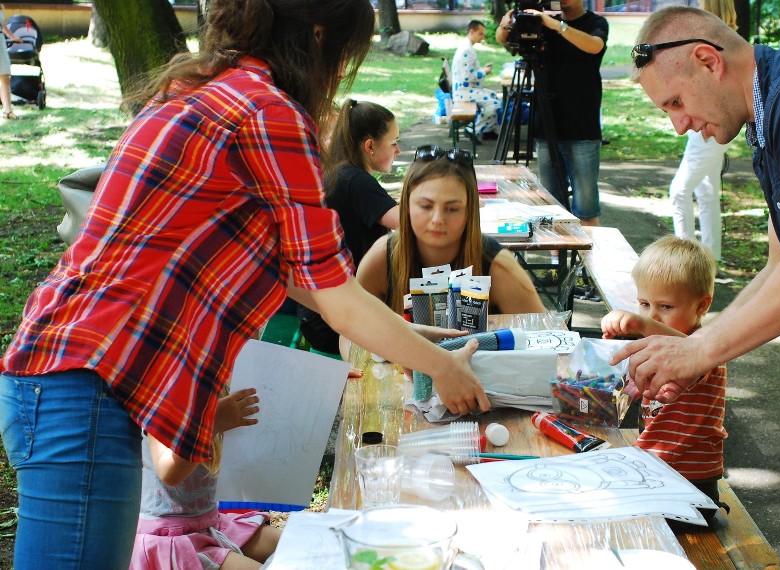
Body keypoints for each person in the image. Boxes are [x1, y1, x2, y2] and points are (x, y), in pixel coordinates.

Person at [0, 2, 490, 568]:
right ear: (320, 35)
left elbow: (302, 276)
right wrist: (441, 365)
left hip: (65, 374)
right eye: (345, 58)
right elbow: (334, 292)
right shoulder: (268, 113)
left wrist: (416, 342)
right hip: (85, 387)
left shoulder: (200, 89)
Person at [611, 5, 780, 543]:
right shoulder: (769, 120)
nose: (678, 125)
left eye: (675, 102)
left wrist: (699, 352)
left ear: (707, 60)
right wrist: (691, 346)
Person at [602, 235, 727, 523]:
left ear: (701, 306)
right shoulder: (662, 349)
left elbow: (690, 353)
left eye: (665, 307)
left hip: (688, 481)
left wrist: (645, 324)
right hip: (656, 466)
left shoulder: (704, 350)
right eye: (644, 304)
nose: (653, 315)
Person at [356, 145, 547, 316]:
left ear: (470, 211)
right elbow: (350, 332)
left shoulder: (498, 267)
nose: (438, 219)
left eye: (452, 209)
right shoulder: (382, 257)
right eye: (425, 206)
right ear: (405, 206)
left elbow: (542, 337)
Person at [130, 387, 281, 569]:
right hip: (171, 541)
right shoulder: (164, 388)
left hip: (212, 524)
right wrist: (211, 422)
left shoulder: (218, 378)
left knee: (304, 548)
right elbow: (170, 473)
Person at [297, 98, 401, 354]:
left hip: (320, 312)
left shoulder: (340, 173)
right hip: (335, 320)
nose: (398, 150)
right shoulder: (356, 181)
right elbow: (412, 224)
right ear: (370, 146)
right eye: (394, 142)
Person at [495, 0, 608, 226]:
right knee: (550, 204)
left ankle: (587, 259)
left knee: (586, 205)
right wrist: (505, 25)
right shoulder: (543, 22)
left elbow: (595, 45)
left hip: (582, 125)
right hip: (546, 123)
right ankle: (558, 257)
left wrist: (557, 26)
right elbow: (504, 39)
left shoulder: (595, 22)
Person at [668, 0, 738, 260]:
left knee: (679, 191)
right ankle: (711, 256)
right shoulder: (728, 40)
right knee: (707, 190)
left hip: (710, 125)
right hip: (712, 125)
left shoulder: (710, 45)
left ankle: (685, 261)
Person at [451, 19, 501, 141]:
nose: (483, 37)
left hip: (466, 89)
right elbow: (467, 77)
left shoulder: (466, 46)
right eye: (480, 34)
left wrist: (482, 69)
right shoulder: (466, 50)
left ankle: (488, 130)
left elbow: (469, 71)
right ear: (472, 31)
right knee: (494, 104)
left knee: (494, 96)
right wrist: (484, 71)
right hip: (464, 92)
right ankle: (472, 130)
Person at [0, 4, 23, 120]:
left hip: (0, 42)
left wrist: (13, 37)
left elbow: (3, 26)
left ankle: (7, 111)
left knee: (4, 76)